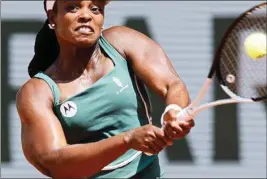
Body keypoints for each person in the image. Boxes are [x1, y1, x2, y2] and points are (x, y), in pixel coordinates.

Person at [16, 0, 195, 178]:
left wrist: (174, 110)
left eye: (95, 9)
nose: (86, 16)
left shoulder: (122, 41)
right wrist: (127, 140)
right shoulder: (36, 92)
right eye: (73, 7)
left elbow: (172, 84)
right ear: (52, 17)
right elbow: (56, 164)